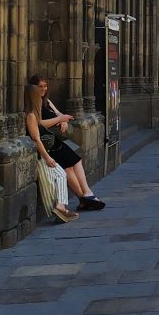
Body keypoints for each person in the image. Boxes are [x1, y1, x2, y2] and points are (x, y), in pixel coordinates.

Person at [28, 74, 106, 211]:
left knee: (76, 162)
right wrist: (60, 119)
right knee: (69, 167)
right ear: (33, 88)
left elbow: (59, 114)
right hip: (49, 142)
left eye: (45, 86)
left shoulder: (46, 101)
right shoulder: (34, 105)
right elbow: (39, 123)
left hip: (55, 139)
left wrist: (62, 119)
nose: (43, 89)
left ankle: (86, 195)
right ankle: (85, 197)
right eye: (40, 86)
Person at [23, 84, 78, 223]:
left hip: (44, 154)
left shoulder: (35, 114)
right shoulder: (31, 115)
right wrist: (47, 157)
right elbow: (36, 138)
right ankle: (60, 208)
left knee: (58, 177)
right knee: (60, 175)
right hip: (42, 155)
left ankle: (61, 209)